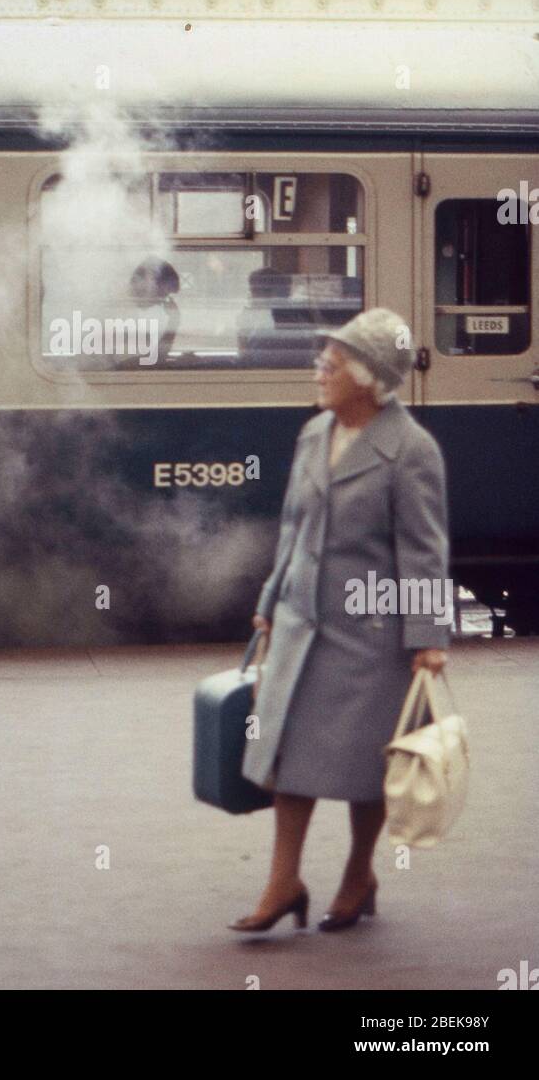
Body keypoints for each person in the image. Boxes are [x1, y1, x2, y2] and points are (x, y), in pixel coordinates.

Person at [231, 307, 451, 934]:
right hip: (303, 625)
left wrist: (428, 638)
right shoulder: (312, 434)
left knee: (363, 769)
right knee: (288, 758)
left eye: (333, 364)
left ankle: (359, 873)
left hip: (369, 635)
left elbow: (423, 552)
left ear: (369, 378)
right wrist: (271, 600)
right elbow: (293, 529)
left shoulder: (411, 451)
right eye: (322, 361)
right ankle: (283, 882)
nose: (319, 371)